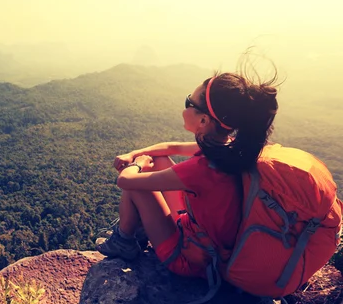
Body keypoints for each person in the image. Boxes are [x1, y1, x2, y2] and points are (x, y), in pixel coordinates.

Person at [95, 70, 279, 278]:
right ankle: (140, 230)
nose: (185, 108)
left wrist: (138, 163)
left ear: (203, 121)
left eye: (188, 102)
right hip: (203, 242)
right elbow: (170, 147)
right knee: (160, 161)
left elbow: (125, 181)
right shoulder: (226, 149)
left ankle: (124, 241)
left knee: (136, 184)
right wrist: (134, 153)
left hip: (187, 260)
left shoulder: (200, 169)